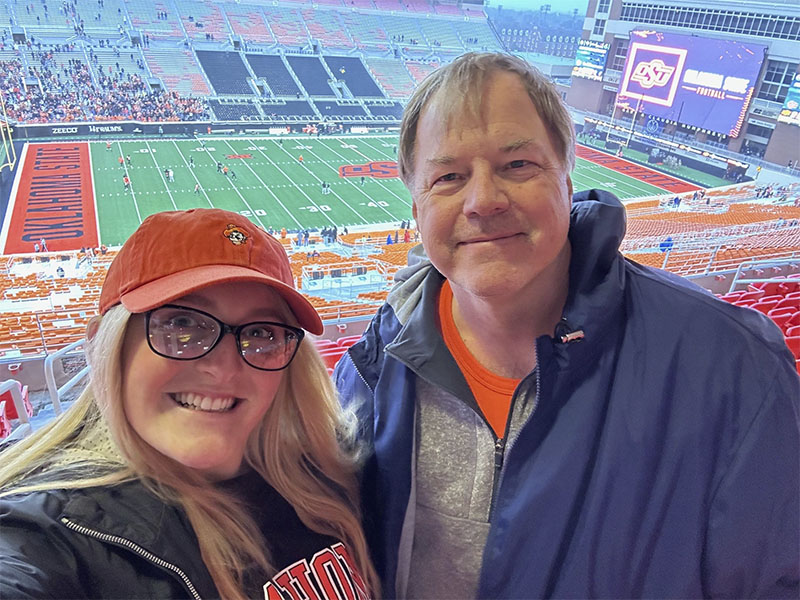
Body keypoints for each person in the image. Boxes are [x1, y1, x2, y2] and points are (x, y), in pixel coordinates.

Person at [334, 52, 800, 599]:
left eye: (518, 166)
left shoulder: (731, 368)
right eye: (448, 177)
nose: (483, 201)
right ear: (416, 208)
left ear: (567, 178)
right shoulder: (371, 369)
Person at [0, 208, 378, 600]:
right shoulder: (56, 536)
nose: (224, 368)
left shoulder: (329, 473)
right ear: (102, 346)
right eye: (181, 325)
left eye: (262, 332)